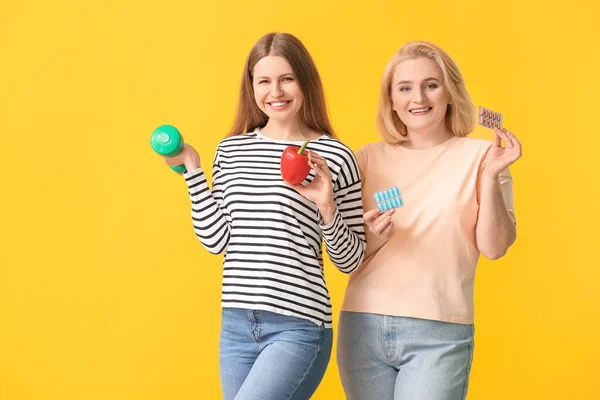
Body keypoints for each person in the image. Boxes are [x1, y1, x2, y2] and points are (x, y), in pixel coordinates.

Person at [164, 32, 366, 400]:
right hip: (237, 325)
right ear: (252, 87)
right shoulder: (231, 150)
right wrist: (192, 170)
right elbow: (216, 241)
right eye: (265, 81)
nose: (276, 91)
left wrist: (327, 206)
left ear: (305, 81)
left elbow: (352, 261)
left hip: (299, 326)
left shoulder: (335, 156)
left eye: (287, 78)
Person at [337, 41, 521, 400]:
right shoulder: (365, 159)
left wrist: (489, 176)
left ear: (449, 92)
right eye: (404, 88)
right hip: (362, 325)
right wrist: (372, 236)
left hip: (439, 331)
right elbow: (346, 254)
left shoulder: (485, 155)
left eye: (431, 85)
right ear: (390, 100)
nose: (418, 97)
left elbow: (495, 247)